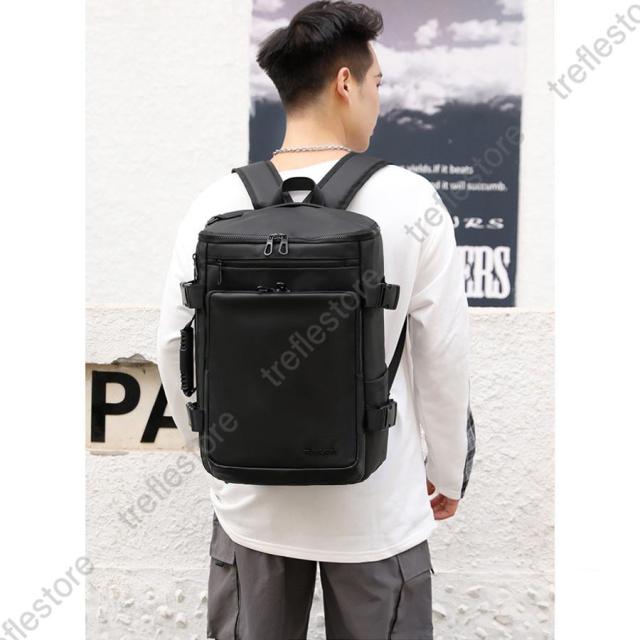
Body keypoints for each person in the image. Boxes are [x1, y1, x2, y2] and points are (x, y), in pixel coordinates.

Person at [156, 2, 475, 638]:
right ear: (344, 83)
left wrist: (213, 450)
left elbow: (171, 345)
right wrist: (446, 472)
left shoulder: (217, 201)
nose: (378, 99)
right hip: (376, 509)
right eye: (377, 82)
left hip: (252, 511)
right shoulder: (412, 200)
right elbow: (442, 357)